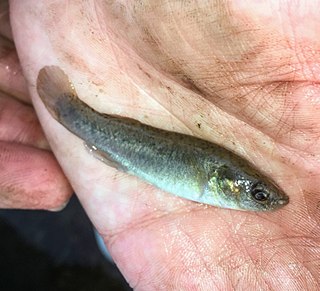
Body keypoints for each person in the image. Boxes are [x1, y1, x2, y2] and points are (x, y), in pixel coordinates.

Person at [1, 0, 319, 289]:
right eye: (258, 194)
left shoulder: (220, 174)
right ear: (226, 182)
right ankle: (72, 115)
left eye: (260, 194)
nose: (263, 199)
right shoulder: (215, 174)